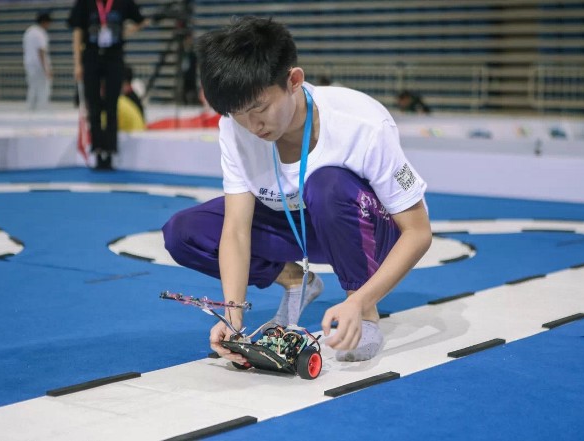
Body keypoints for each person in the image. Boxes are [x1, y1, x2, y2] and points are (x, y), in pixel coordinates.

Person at [162, 17, 432, 363]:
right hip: (299, 225)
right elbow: (236, 230)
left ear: (294, 80)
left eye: (260, 108)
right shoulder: (235, 128)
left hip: (369, 227)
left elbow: (418, 232)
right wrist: (232, 316)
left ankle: (365, 314)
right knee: (184, 231)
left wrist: (360, 301)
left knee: (326, 184)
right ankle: (295, 281)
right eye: (238, 113)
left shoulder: (362, 124)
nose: (252, 125)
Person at [68, 0, 147, 170]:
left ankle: (110, 151)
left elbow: (141, 20)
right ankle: (97, 151)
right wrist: (77, 64)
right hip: (91, 56)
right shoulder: (85, 3)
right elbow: (77, 30)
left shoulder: (122, 2)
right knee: (94, 106)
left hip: (114, 57)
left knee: (112, 105)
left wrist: (126, 32)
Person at [23, 11, 52, 111]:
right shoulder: (40, 33)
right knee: (43, 88)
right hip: (39, 66)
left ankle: (30, 108)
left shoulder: (29, 31)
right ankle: (42, 108)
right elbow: (41, 52)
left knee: (32, 87)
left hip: (29, 64)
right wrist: (46, 69)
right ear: (44, 22)